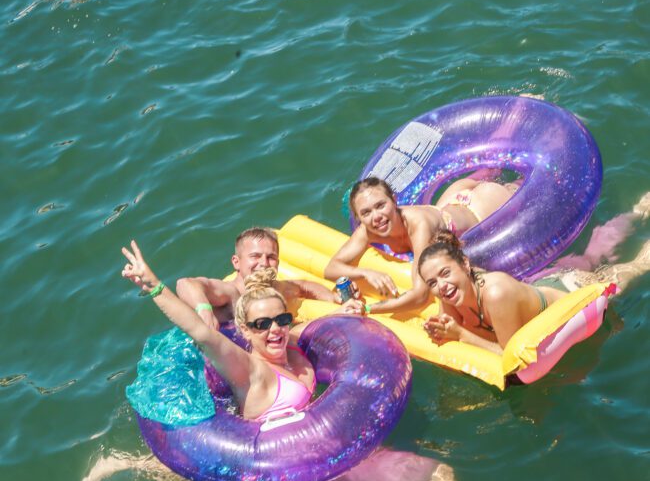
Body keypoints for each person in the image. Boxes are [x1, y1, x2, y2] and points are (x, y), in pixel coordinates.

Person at [82, 240, 456, 481]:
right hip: (291, 475)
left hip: (330, 456)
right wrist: (153, 286)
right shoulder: (248, 370)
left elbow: (323, 320)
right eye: (261, 324)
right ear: (244, 331)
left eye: (281, 319)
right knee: (435, 478)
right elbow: (200, 333)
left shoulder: (295, 348)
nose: (273, 330)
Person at [418, 216, 650, 353]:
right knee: (593, 256)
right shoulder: (447, 290)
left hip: (572, 289)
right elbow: (448, 327)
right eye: (432, 282)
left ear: (465, 265)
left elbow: (510, 355)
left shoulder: (496, 292)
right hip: (542, 285)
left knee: (637, 265)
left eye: (445, 273)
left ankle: (639, 211)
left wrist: (459, 334)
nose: (441, 285)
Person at [324, 174, 519, 315]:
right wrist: (365, 273)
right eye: (366, 213)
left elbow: (420, 296)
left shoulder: (419, 226)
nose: (376, 217)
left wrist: (367, 309)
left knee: (518, 186)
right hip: (448, 203)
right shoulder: (367, 231)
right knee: (488, 173)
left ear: (394, 200)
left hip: (482, 206)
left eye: (380, 205)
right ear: (358, 218)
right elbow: (331, 268)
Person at [176, 227, 344, 330]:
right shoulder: (231, 293)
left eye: (270, 257)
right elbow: (185, 284)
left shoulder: (276, 289)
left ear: (277, 263)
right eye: (255, 256)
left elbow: (304, 286)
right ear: (237, 262)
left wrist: (335, 299)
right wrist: (205, 311)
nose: (264, 263)